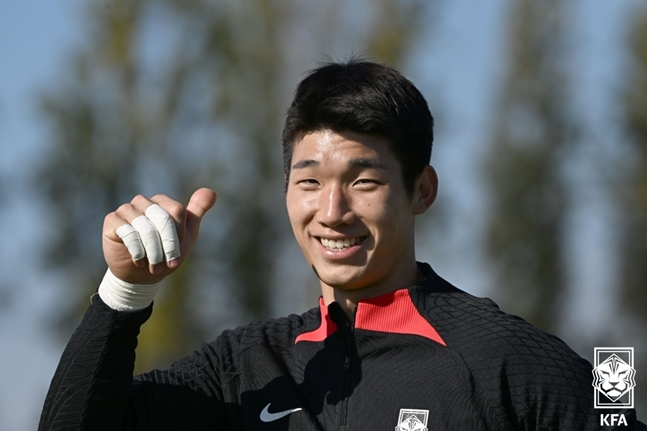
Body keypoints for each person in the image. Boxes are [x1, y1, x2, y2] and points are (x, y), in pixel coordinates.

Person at [39, 59, 644, 431]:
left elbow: (618, 398)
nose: (331, 211)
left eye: (364, 180)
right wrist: (125, 291)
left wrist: (618, 378)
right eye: (309, 182)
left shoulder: (506, 355)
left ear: (422, 190)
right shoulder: (244, 368)